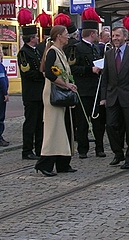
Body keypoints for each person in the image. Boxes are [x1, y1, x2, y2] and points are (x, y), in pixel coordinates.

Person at [35, 25, 78, 177]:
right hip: (53, 95)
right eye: (66, 34)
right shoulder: (52, 51)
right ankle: (44, 163)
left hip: (61, 93)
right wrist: (66, 85)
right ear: (59, 36)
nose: (68, 36)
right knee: (54, 130)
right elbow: (48, 73)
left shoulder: (59, 51)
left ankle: (63, 163)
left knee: (64, 128)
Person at [100, 26, 129, 170]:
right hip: (112, 96)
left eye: (118, 36)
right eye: (113, 36)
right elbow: (105, 77)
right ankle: (118, 153)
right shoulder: (108, 54)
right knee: (111, 125)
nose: (115, 38)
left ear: (125, 37)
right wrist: (103, 97)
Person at [69, 10, 106, 159]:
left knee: (98, 121)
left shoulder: (96, 48)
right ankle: (83, 149)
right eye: (97, 34)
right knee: (82, 121)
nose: (98, 36)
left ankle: (99, 148)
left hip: (96, 90)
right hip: (83, 90)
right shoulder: (76, 48)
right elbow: (72, 68)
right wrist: (90, 69)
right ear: (92, 34)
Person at [18, 25, 44, 160]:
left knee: (40, 122)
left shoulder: (36, 51)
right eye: (35, 36)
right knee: (31, 122)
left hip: (40, 92)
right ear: (31, 38)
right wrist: (42, 75)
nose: (38, 38)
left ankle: (39, 148)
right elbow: (27, 72)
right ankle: (27, 150)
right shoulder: (23, 53)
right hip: (31, 92)